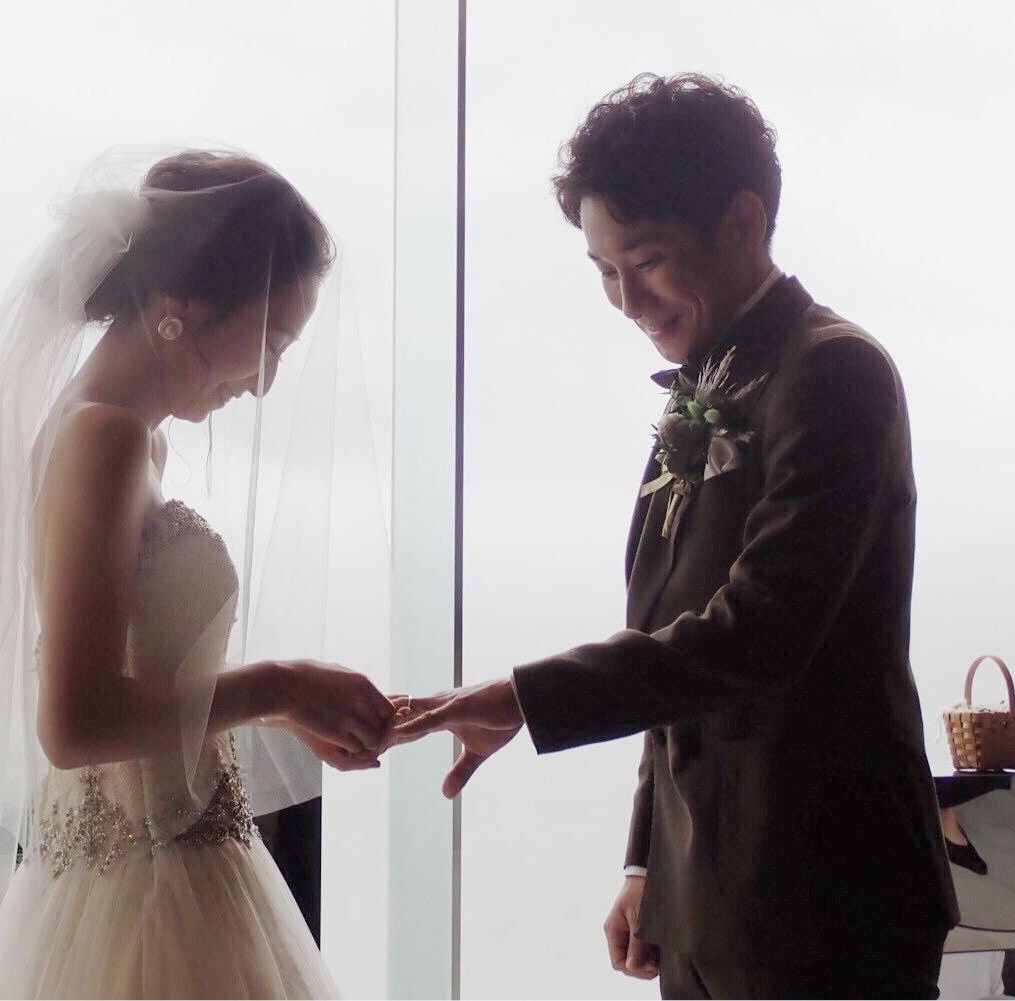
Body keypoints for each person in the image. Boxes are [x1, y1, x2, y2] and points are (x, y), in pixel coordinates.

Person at [394, 73, 958, 999]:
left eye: (646, 260)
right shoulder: (712, 378)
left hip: (827, 898)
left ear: (744, 221)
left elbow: (759, 633)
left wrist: (528, 696)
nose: (624, 298)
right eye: (603, 270)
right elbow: (670, 633)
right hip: (706, 902)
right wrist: (647, 860)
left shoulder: (835, 372)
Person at [0, 150, 393, 999]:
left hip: (181, 852)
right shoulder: (98, 438)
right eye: (269, 341)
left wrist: (285, 708)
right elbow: (75, 722)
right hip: (140, 883)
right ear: (180, 309)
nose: (263, 381)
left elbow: (146, 668)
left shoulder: (134, 437)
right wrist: (283, 684)